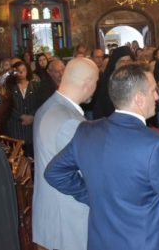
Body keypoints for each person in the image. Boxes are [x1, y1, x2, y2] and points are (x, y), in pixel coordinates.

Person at [45, 63, 159, 250]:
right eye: (153, 91)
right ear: (139, 98)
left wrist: (90, 195)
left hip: (101, 241)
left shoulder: (86, 131)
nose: (157, 97)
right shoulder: (155, 145)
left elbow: (54, 172)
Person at [32, 57, 99, 250]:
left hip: (53, 212)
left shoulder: (50, 105)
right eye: (96, 82)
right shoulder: (70, 120)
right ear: (87, 83)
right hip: (69, 218)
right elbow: (79, 173)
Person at [5, 60, 41, 157]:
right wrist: (21, 116)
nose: (21, 72)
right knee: (17, 157)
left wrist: (32, 116)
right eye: (18, 70)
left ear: (27, 71)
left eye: (23, 70)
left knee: (32, 157)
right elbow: (8, 105)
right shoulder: (9, 87)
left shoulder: (36, 86)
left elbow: (40, 103)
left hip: (32, 126)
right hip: (15, 126)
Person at [92, 46, 134, 119]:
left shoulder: (137, 79)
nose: (126, 64)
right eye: (122, 61)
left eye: (129, 61)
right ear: (115, 63)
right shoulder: (106, 83)